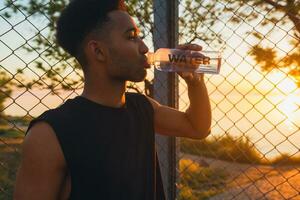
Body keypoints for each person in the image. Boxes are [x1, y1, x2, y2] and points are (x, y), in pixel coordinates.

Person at [14, 0, 211, 199]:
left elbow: (197, 127)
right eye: (131, 37)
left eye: (139, 36)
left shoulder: (142, 107)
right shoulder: (50, 134)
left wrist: (195, 83)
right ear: (98, 51)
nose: (144, 47)